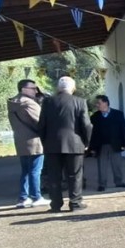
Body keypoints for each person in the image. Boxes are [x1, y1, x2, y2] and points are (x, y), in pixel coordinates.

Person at [39, 76, 92, 212]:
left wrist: (45, 141)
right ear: (73, 88)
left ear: (58, 87)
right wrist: (86, 142)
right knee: (75, 175)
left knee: (54, 176)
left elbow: (41, 124)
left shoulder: (47, 102)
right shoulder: (80, 101)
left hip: (52, 145)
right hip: (75, 144)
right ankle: (75, 203)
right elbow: (86, 125)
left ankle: (56, 205)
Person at [8, 79, 47, 208]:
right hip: (34, 141)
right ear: (23, 89)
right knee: (35, 170)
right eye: (33, 88)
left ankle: (23, 197)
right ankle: (36, 196)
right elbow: (41, 122)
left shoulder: (13, 103)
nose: (36, 91)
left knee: (25, 170)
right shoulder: (29, 103)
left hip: (21, 141)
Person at [88, 95, 125, 191]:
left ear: (105, 103)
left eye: (99, 103)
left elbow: (123, 129)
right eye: (97, 103)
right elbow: (92, 133)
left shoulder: (118, 114)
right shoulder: (94, 116)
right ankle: (102, 184)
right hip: (101, 145)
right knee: (102, 166)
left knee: (117, 165)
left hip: (116, 144)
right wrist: (92, 148)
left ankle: (119, 182)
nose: (97, 105)